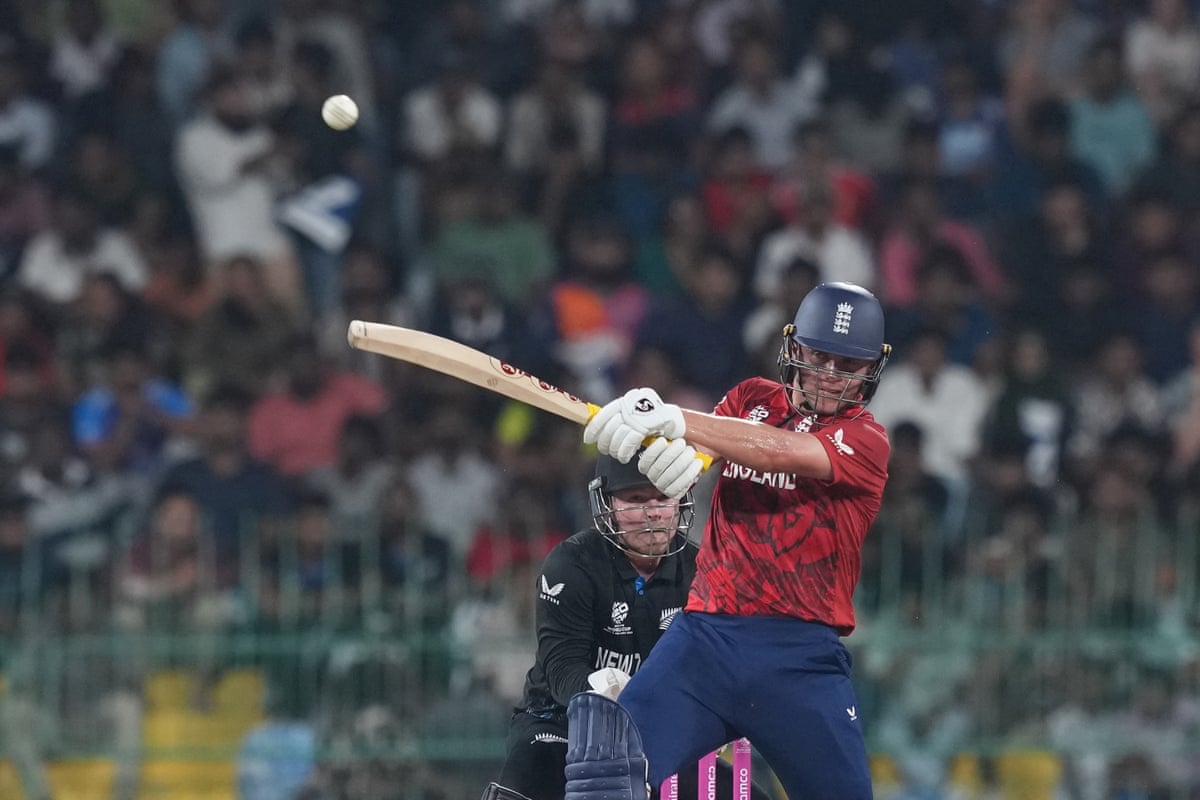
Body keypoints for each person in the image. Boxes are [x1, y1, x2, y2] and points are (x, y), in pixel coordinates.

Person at [573, 281, 892, 800]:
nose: (831, 377)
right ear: (794, 348)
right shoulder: (750, 398)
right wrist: (663, 452)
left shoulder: (867, 439)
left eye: (848, 366)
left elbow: (781, 451)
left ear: (871, 369)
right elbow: (701, 457)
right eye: (819, 357)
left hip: (798, 659)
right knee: (606, 777)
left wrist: (675, 418)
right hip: (703, 643)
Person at [486, 452, 699, 800]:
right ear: (608, 503)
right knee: (530, 770)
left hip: (657, 726)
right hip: (558, 720)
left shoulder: (700, 571)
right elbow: (560, 668)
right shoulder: (571, 564)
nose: (653, 512)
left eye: (663, 497)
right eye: (635, 499)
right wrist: (597, 694)